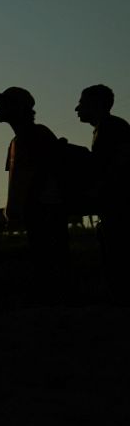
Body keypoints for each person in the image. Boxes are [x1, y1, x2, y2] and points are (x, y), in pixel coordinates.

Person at [0, 86, 68, 296]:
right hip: (35, 212)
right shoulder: (16, 142)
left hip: (46, 212)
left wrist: (24, 207)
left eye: (3, 103)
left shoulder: (38, 135)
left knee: (51, 267)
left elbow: (42, 175)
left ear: (18, 108)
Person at [75, 84, 130, 300]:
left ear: (95, 105)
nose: (76, 109)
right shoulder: (110, 127)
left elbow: (111, 167)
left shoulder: (111, 128)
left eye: (81, 103)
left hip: (120, 208)